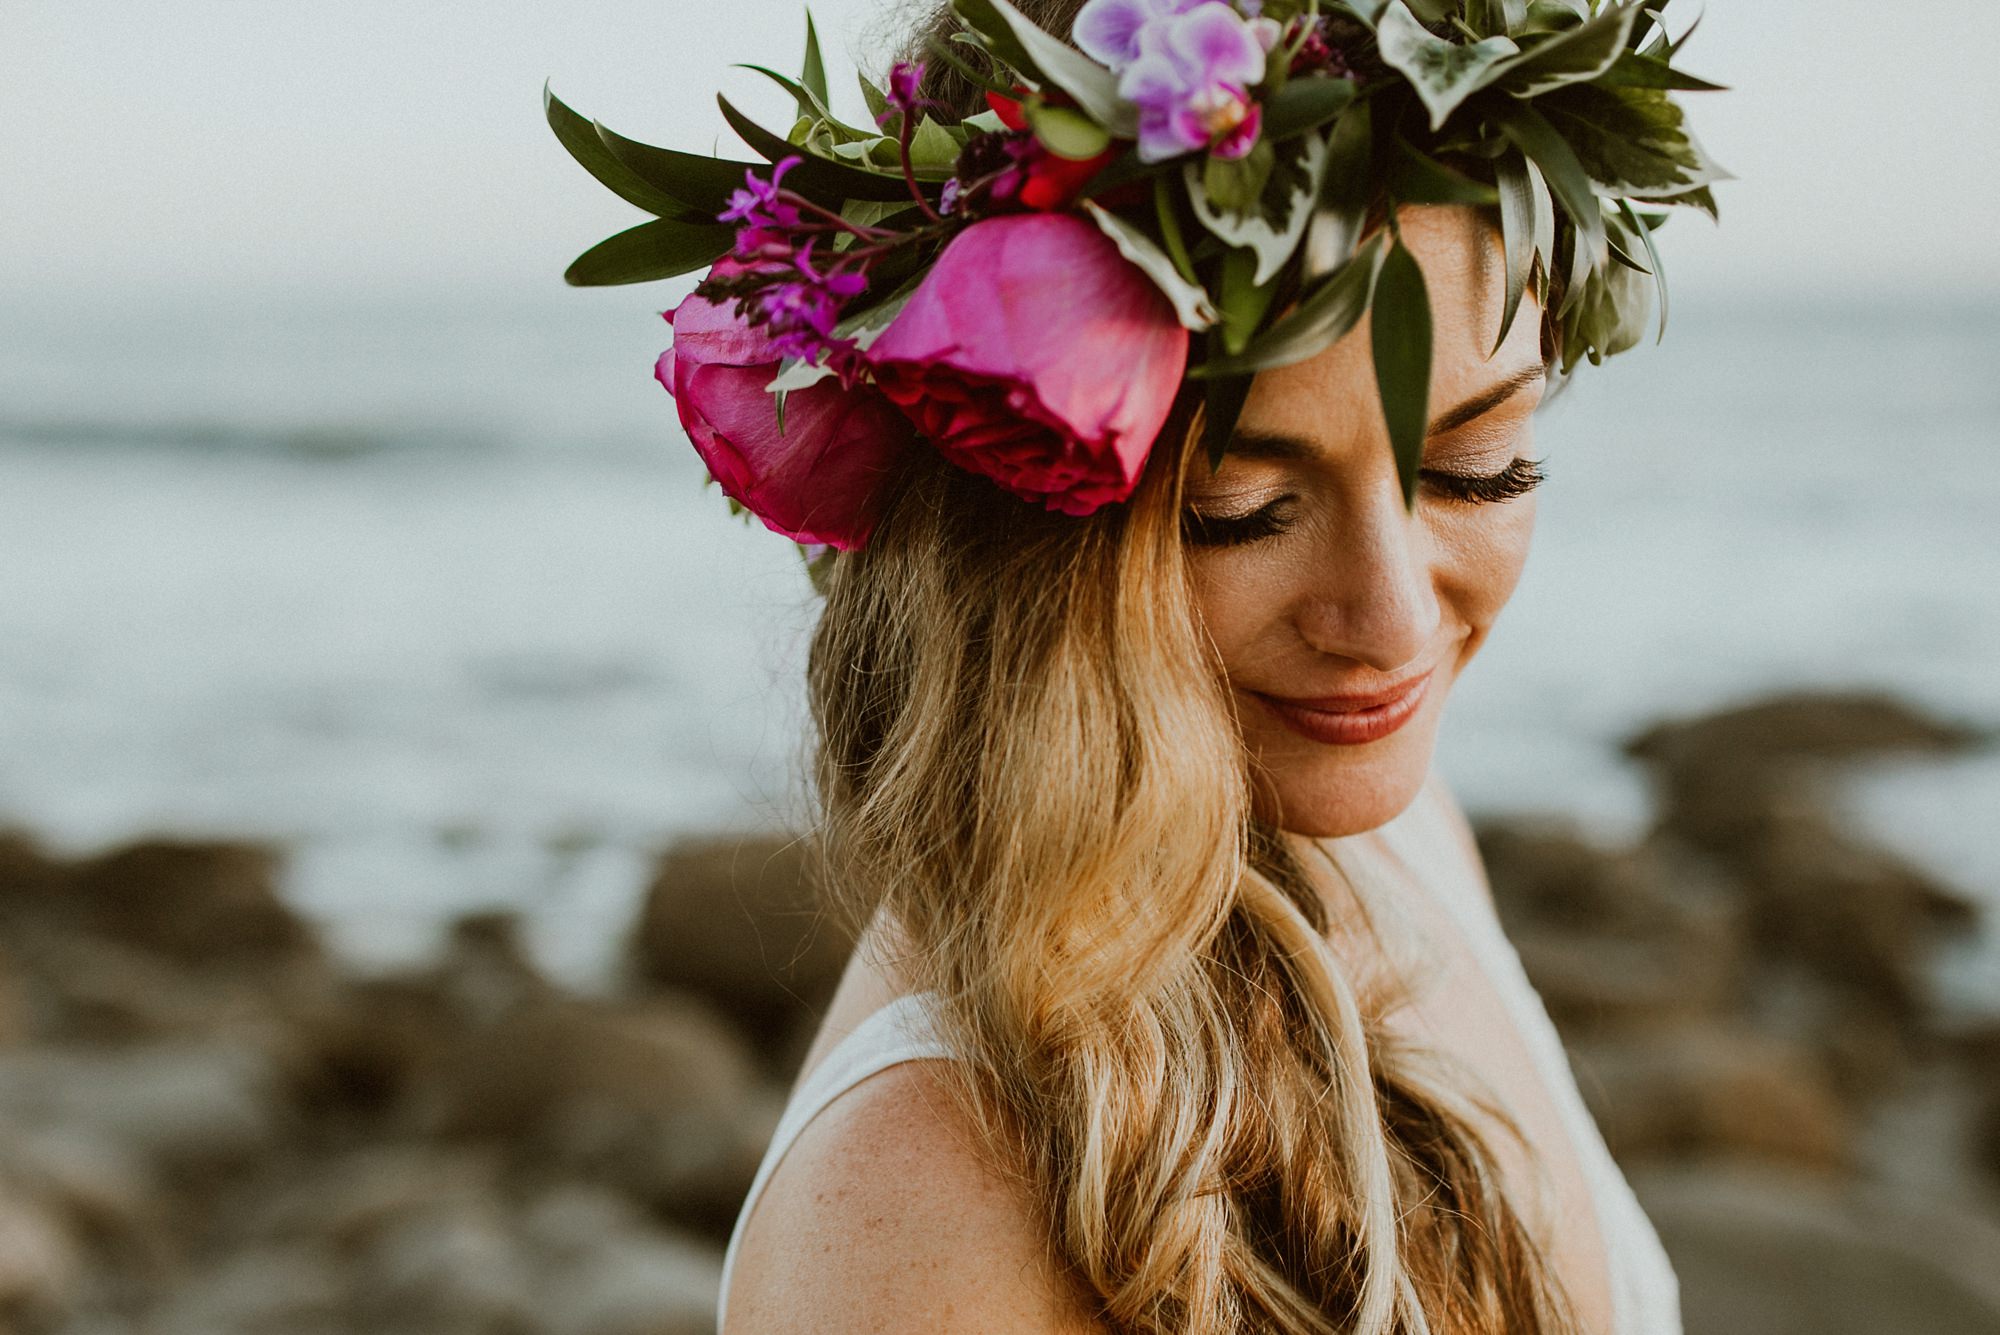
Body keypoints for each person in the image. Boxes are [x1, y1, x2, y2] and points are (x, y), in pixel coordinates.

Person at [550, 0, 1721, 1327]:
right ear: (1015, 538)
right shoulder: (914, 1224)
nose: (1392, 625)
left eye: (1477, 467)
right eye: (1238, 510)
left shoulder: (1397, 829)